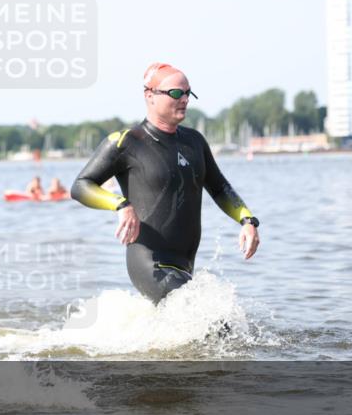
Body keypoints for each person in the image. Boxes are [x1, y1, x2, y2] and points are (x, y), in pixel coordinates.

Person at [71, 62, 260, 303]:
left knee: (205, 329)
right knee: (215, 324)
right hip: (149, 262)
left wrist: (247, 220)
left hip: (184, 266)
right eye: (175, 93)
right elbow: (80, 186)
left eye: (187, 92)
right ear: (149, 96)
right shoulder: (127, 142)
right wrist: (120, 205)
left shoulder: (195, 142)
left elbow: (220, 188)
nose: (184, 99)